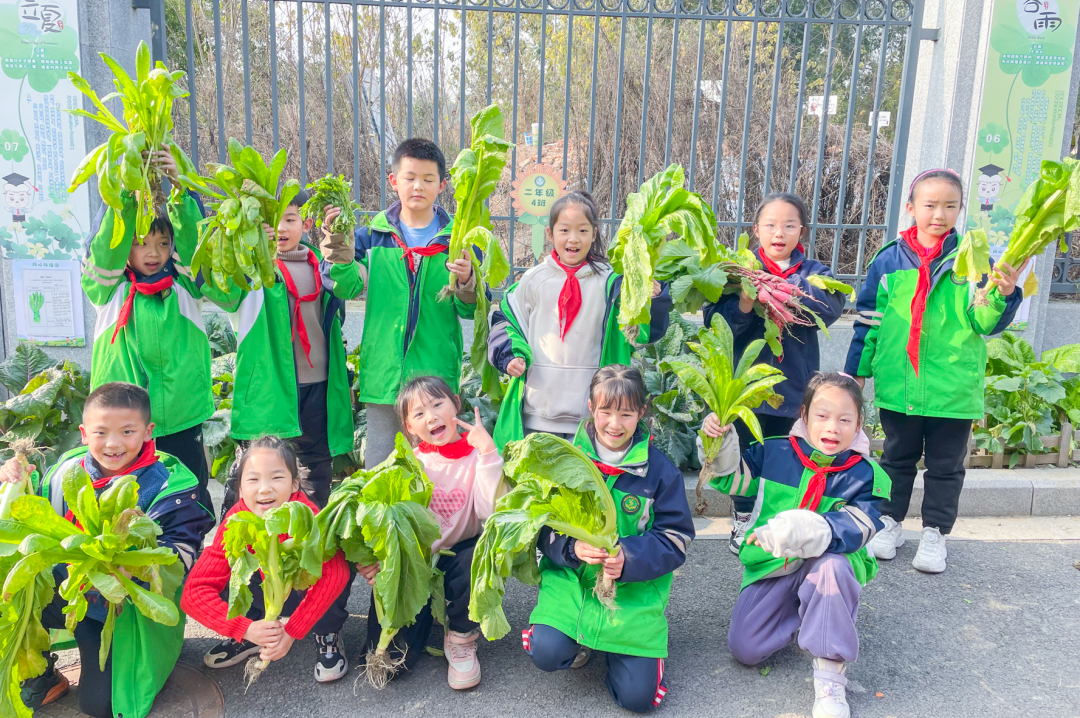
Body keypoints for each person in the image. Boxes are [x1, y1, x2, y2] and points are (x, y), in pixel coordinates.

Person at [845, 169, 1027, 573]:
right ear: (911, 208)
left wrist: (1004, 293)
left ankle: (935, 534)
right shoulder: (888, 260)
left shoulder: (974, 260)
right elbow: (869, 321)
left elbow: (983, 322)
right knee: (896, 459)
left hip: (953, 385)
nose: (939, 214)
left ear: (960, 210)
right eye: (929, 205)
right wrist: (855, 374)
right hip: (900, 383)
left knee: (946, 467)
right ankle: (889, 523)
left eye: (950, 205)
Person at [0, 382, 215, 717]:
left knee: (101, 706)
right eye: (101, 433)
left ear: (148, 432)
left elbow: (180, 552)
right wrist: (14, 482)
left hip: (120, 607)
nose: (113, 444)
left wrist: (135, 570)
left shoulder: (168, 484)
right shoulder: (64, 472)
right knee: (11, 599)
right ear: (84, 434)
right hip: (69, 592)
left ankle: (160, 654)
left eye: (127, 432)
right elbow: (32, 525)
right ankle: (41, 674)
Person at [701, 372, 890, 718]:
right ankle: (809, 615)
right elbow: (731, 479)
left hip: (827, 566)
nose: (832, 427)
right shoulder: (774, 452)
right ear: (804, 415)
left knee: (833, 565)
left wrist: (802, 528)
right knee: (746, 649)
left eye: (844, 419)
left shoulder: (865, 474)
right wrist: (718, 440)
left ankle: (830, 673)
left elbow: (859, 528)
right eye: (822, 415)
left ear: (859, 424)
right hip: (774, 564)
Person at [521, 365, 694, 713]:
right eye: (606, 412)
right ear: (591, 408)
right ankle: (578, 641)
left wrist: (629, 558)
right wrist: (571, 548)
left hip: (632, 591)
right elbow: (539, 524)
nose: (615, 424)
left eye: (626, 414)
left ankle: (617, 650)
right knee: (547, 651)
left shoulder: (661, 472)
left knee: (639, 699)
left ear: (641, 413)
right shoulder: (564, 460)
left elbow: (677, 538)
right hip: (572, 581)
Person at [703, 192, 845, 554]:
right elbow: (715, 324)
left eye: (789, 225)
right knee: (744, 456)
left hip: (792, 388)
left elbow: (831, 308)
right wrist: (745, 301)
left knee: (787, 456)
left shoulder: (815, 274)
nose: (779, 233)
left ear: (802, 231)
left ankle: (778, 520)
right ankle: (743, 514)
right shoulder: (736, 271)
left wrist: (782, 290)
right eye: (770, 225)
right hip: (744, 388)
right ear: (756, 229)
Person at [201, 189, 359, 509]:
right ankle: (237, 538)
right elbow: (221, 292)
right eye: (271, 221)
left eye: (290, 219)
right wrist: (241, 243)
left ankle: (310, 534)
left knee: (316, 472)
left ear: (307, 223)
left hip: (319, 388)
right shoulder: (252, 271)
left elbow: (350, 287)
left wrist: (339, 242)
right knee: (257, 470)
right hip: (269, 391)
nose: (281, 228)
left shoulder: (321, 265)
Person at [81, 146, 215, 512]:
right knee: (125, 504)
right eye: (140, 243)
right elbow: (106, 247)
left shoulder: (186, 284)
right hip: (123, 424)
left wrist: (180, 190)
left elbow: (196, 245)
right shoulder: (108, 289)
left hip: (180, 418)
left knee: (189, 497)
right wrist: (126, 192)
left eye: (162, 243)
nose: (152, 252)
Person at [355, 376, 506, 689]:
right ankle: (428, 617)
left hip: (460, 553)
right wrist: (374, 561)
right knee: (393, 665)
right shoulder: (409, 463)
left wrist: (489, 452)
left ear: (456, 404)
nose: (432, 416)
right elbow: (385, 522)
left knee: (476, 558)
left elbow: (490, 513)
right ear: (409, 426)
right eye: (419, 413)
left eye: (438, 405)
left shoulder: (477, 456)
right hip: (418, 562)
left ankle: (461, 636)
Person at [489, 191, 672, 449]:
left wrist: (651, 299)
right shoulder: (532, 280)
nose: (573, 238)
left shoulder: (612, 283)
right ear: (550, 234)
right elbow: (507, 322)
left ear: (594, 234)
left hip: (594, 418)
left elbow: (641, 333)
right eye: (564, 230)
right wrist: (509, 356)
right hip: (538, 412)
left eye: (583, 231)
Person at [338, 138, 477, 468]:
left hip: (435, 379)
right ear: (394, 181)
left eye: (428, 179)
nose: (418, 186)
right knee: (381, 466)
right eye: (410, 177)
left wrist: (467, 281)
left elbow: (470, 309)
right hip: (384, 373)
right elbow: (347, 286)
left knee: (437, 469)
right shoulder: (370, 238)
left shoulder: (458, 240)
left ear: (442, 185)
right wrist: (337, 249)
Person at [181, 436, 353, 683]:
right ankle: (253, 632)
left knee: (335, 568)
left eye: (276, 478)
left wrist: (292, 631)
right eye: (253, 479)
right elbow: (194, 593)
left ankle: (327, 634)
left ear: (294, 484)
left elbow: (336, 575)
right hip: (262, 594)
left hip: (298, 594)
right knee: (230, 571)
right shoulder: (236, 519)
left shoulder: (304, 515)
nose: (264, 489)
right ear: (240, 488)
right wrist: (243, 628)